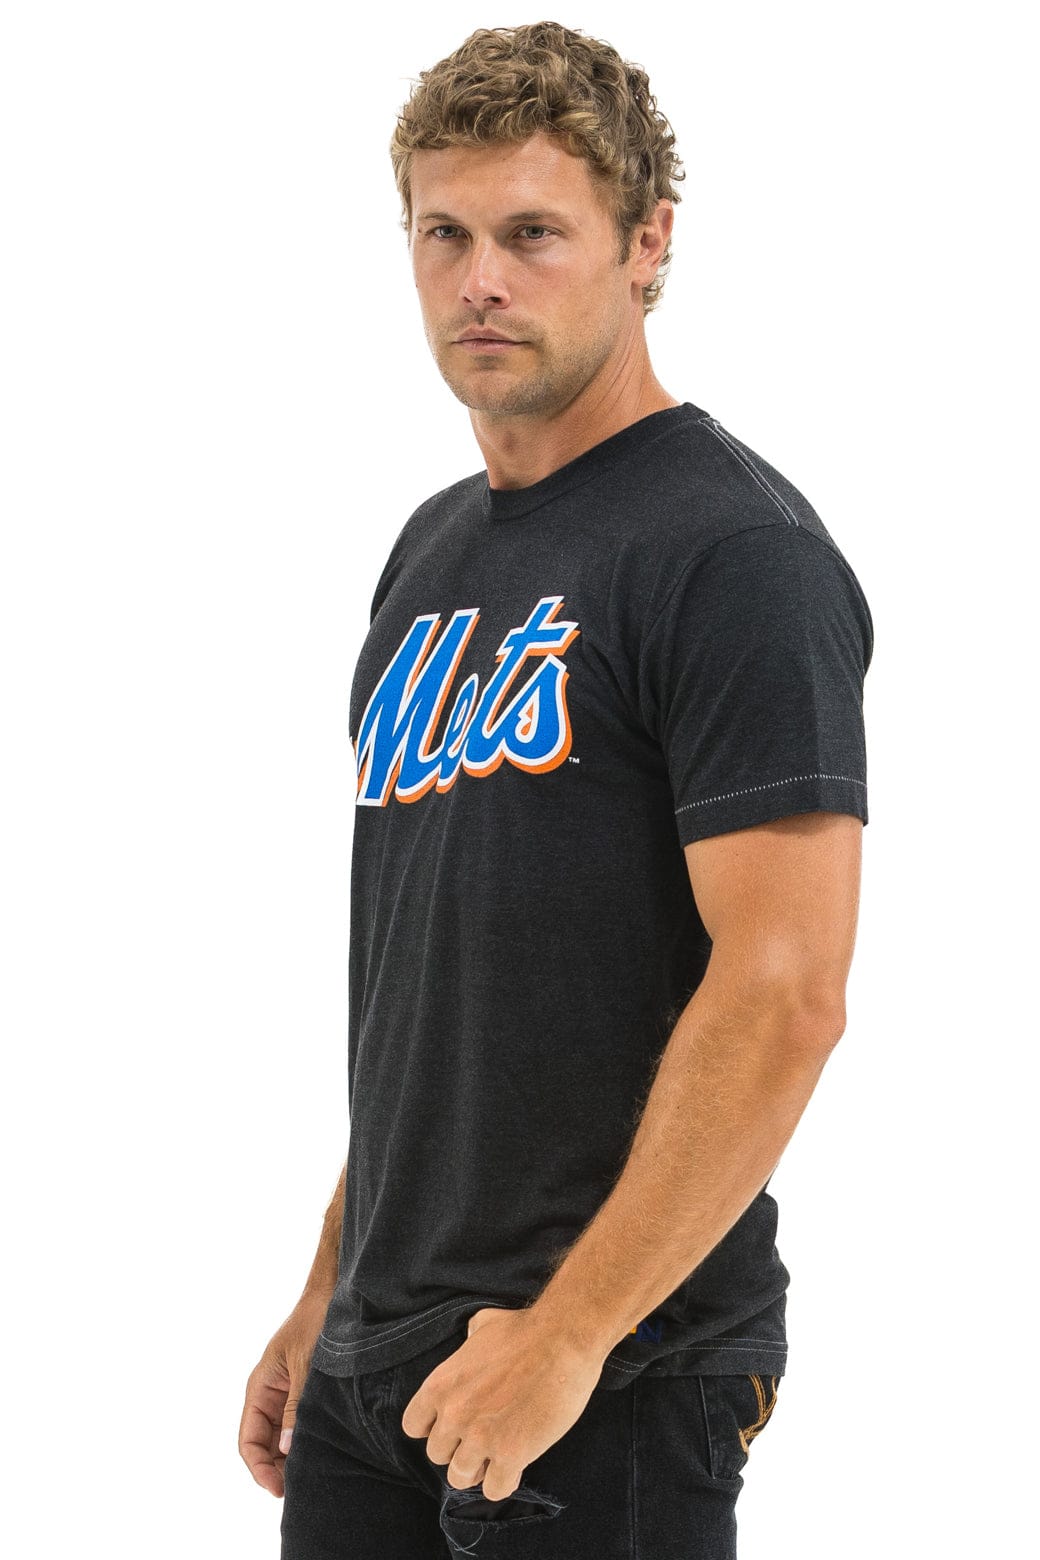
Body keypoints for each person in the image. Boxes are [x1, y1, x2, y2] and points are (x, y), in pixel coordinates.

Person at [239, 20, 874, 1559]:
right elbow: (434, 982)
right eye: (443, 235)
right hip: (384, 1362)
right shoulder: (433, 553)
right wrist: (331, 1286)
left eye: (532, 234)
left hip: (611, 1371)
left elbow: (786, 990)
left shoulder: (735, 557)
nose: (481, 282)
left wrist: (571, 1335)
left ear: (647, 244)